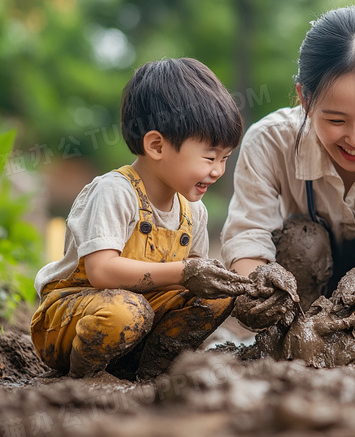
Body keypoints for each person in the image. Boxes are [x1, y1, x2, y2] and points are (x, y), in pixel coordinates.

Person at [220, 6, 355, 343]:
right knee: (301, 241)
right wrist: (265, 284)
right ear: (304, 100)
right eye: (335, 121)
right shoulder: (269, 140)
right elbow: (248, 241)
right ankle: (303, 332)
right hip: (303, 282)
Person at [30, 58, 254, 380]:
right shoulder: (114, 192)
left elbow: (191, 283)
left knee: (216, 298)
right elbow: (102, 271)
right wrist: (186, 271)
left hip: (140, 319)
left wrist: (231, 283)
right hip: (70, 319)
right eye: (209, 157)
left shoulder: (194, 211)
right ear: (157, 145)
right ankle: (84, 378)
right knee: (127, 311)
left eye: (224, 159)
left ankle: (150, 371)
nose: (217, 171)